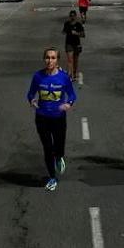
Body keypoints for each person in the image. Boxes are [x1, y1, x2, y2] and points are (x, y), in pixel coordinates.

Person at [26, 47, 77, 191]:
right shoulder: (38, 76)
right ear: (44, 59)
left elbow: (72, 95)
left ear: (57, 60)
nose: (50, 61)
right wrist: (32, 101)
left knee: (58, 147)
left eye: (53, 58)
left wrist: (68, 104)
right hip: (42, 118)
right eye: (47, 57)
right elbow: (30, 94)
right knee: (48, 148)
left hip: (58, 118)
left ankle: (59, 156)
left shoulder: (63, 77)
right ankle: (52, 177)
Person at [61, 9, 86, 86]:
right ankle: (70, 75)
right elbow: (63, 31)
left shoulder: (78, 25)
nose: (72, 17)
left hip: (76, 44)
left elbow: (83, 35)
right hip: (68, 44)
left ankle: (74, 73)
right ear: (69, 16)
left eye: (73, 16)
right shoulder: (67, 24)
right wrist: (64, 32)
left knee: (75, 60)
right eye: (71, 16)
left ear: (75, 16)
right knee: (70, 60)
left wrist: (76, 33)